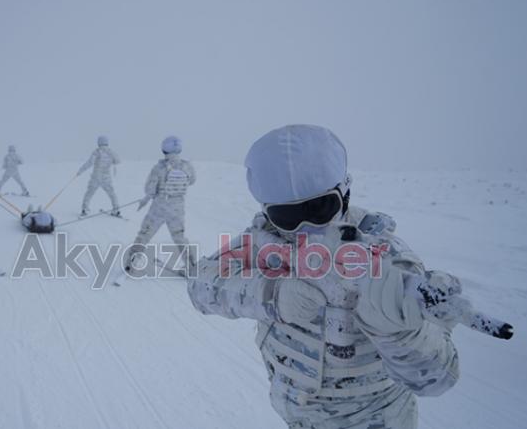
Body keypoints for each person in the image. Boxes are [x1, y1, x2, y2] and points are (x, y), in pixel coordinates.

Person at [187, 125, 460, 429]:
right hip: (298, 418)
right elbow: (200, 285)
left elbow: (437, 379)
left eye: (319, 208)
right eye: (287, 215)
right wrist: (271, 294)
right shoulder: (265, 242)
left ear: (344, 193)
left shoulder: (387, 257)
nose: (305, 227)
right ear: (267, 212)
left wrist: (400, 331)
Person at [125, 136, 196, 272]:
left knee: (145, 234)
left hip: (159, 207)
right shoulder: (187, 166)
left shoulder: (159, 168)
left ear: (164, 149)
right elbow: (192, 181)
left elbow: (150, 189)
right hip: (178, 208)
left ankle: (132, 262)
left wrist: (148, 197)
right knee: (179, 237)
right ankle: (191, 266)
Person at [78, 135, 121, 216]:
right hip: (106, 178)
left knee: (89, 193)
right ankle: (116, 210)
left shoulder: (97, 151)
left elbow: (90, 163)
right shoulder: (111, 152)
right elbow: (118, 161)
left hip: (96, 177)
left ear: (99, 142)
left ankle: (84, 209)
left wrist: (80, 171)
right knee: (112, 194)